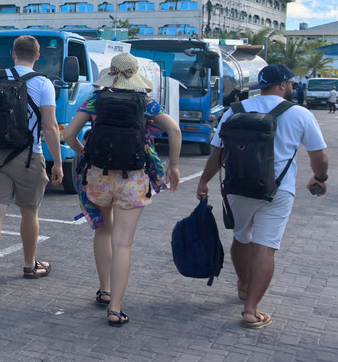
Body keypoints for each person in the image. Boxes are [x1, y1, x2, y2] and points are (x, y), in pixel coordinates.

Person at [196, 64, 328, 329]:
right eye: (291, 82)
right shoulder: (299, 113)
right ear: (283, 85)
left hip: (237, 186)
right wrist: (320, 179)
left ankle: (244, 285)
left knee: (241, 237)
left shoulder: (234, 111)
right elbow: (319, 156)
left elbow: (217, 154)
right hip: (277, 190)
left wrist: (203, 181)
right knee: (265, 247)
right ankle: (251, 310)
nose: (292, 87)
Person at [64, 52, 181, 326]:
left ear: (110, 74)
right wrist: (173, 165)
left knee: (103, 230)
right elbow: (174, 131)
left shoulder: (95, 100)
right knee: (123, 243)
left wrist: (84, 153)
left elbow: (68, 134)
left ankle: (104, 289)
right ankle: (115, 308)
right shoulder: (145, 102)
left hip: (99, 176)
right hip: (133, 179)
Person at [0, 34, 62, 293]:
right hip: (30, 156)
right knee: (30, 212)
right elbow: (50, 128)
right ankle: (30, 265)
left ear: (14, 54)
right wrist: (58, 163)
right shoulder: (43, 83)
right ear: (38, 56)